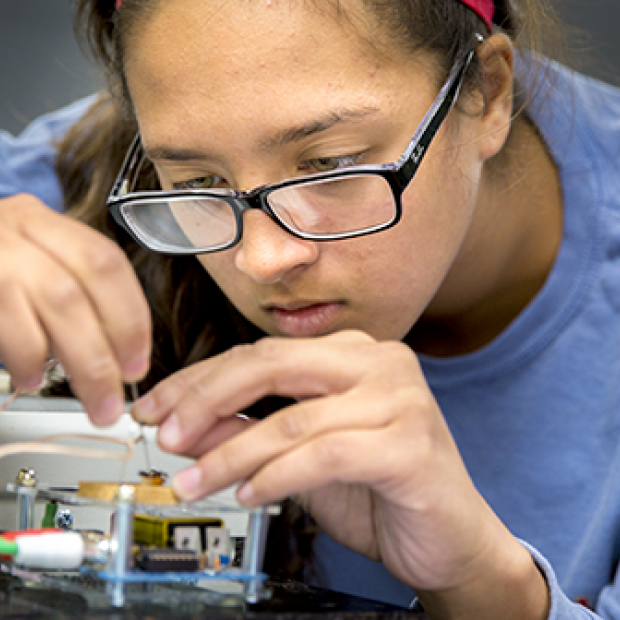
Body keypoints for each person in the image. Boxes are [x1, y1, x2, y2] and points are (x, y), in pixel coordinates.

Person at [1, 0, 620, 617]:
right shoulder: (79, 179)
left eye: (330, 164)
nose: (264, 259)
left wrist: (487, 584)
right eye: (198, 183)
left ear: (487, 93)